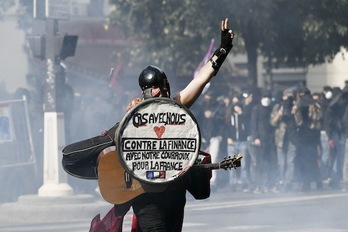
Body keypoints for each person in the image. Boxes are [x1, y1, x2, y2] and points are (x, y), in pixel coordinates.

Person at [93, 18, 235, 232]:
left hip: (174, 191)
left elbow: (200, 80)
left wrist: (223, 49)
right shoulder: (134, 114)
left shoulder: (174, 107)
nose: (157, 93)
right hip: (146, 195)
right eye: (154, 89)